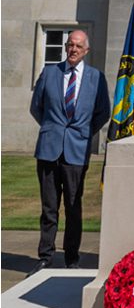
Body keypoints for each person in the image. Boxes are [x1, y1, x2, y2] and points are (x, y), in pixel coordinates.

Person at [29, 29, 110, 271]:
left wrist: (82, 133)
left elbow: (102, 113)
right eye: (69, 45)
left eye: (78, 46)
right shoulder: (50, 72)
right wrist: (53, 130)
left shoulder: (96, 77)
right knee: (49, 207)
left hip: (77, 149)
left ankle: (71, 258)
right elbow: (36, 107)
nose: (73, 49)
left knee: (74, 207)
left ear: (86, 50)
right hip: (48, 149)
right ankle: (45, 256)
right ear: (66, 48)